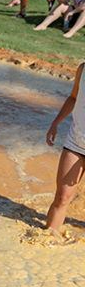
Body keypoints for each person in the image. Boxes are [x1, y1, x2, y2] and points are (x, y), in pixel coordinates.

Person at [45, 62, 85, 233]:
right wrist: (56, 123)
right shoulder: (83, 69)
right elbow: (74, 98)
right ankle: (46, 243)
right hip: (76, 141)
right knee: (62, 197)